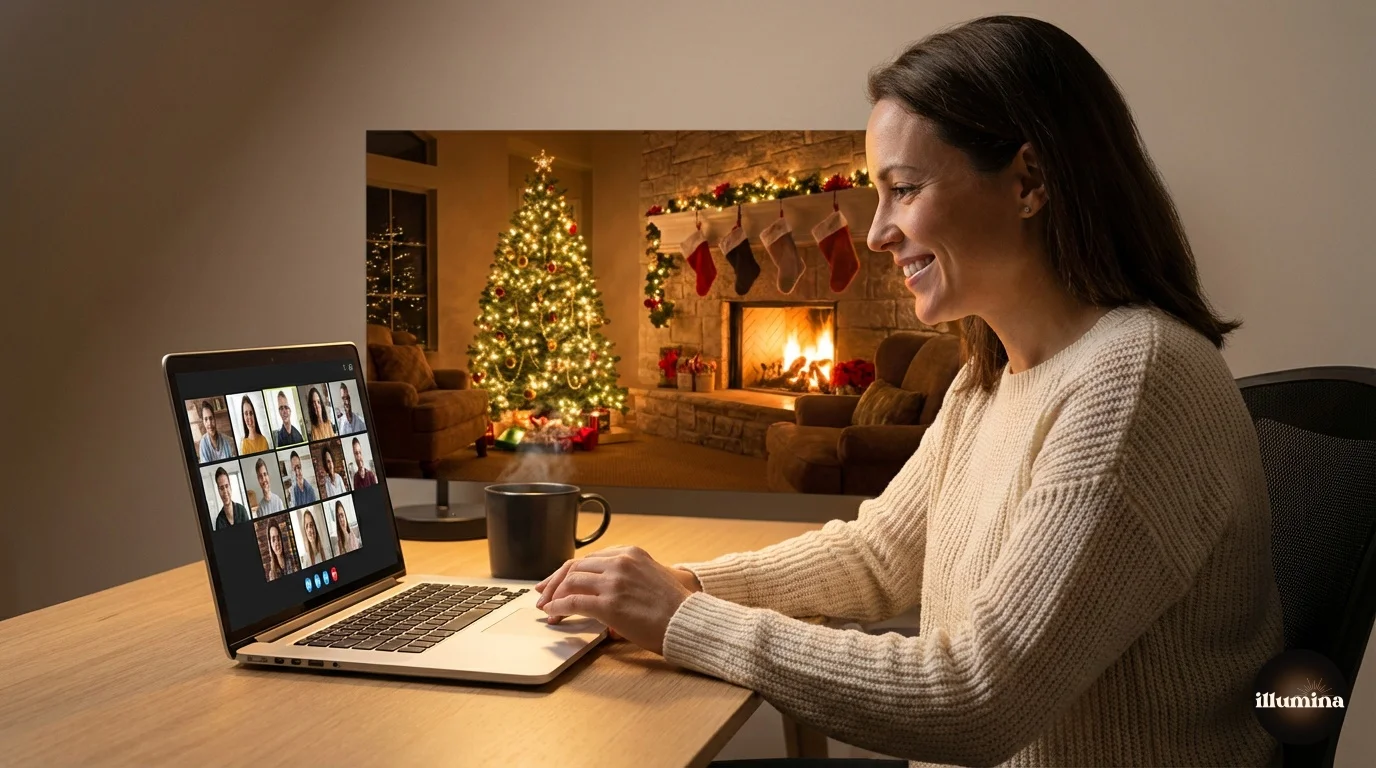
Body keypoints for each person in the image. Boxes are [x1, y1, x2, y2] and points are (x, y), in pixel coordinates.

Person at [533, 16, 1284, 768]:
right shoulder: (989, 377)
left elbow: (974, 698)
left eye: (904, 189)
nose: (877, 233)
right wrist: (686, 583)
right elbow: (879, 555)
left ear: (1029, 181)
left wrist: (684, 619)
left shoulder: (1136, 382)